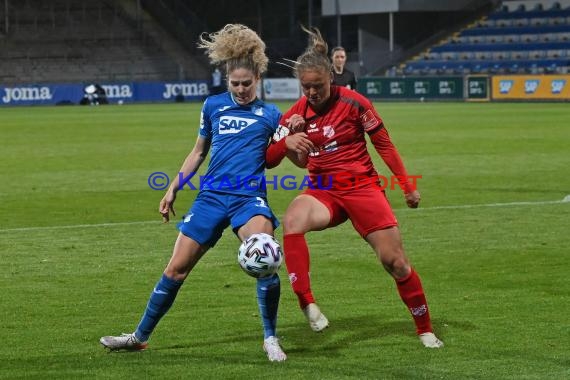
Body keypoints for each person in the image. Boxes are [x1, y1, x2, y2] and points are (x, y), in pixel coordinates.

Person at [99, 24, 289, 362]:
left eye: (247, 84)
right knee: (175, 270)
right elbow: (198, 152)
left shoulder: (272, 115)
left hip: (249, 199)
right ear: (227, 81)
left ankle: (270, 338)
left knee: (267, 258)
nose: (242, 90)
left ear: (258, 80)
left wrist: (294, 139)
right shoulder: (213, 106)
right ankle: (139, 337)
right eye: (235, 84)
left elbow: (287, 157)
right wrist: (173, 188)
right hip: (211, 198)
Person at [265, 26, 444, 349]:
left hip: (362, 187)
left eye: (317, 86)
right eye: (305, 87)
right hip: (323, 190)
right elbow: (282, 161)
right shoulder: (294, 114)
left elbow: (384, 145)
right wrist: (291, 141)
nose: (311, 93)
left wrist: (406, 186)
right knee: (293, 218)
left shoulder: (355, 103)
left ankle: (425, 328)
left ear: (330, 79)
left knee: (396, 262)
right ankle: (307, 302)